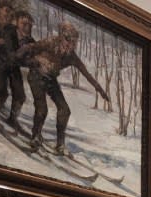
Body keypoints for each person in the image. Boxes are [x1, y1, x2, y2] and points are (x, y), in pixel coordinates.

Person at [15, 21, 110, 154]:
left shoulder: (71, 56)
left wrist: (100, 90)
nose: (71, 45)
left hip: (50, 79)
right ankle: (35, 136)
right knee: (42, 109)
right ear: (62, 37)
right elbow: (30, 47)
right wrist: (22, 59)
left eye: (74, 42)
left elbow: (86, 74)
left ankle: (60, 145)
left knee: (65, 110)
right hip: (36, 75)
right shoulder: (50, 42)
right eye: (68, 40)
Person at [0, 10, 35, 128]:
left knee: (20, 95)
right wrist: (24, 50)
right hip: (0, 62)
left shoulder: (30, 41)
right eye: (24, 24)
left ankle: (13, 118)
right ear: (17, 23)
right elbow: (11, 55)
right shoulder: (9, 32)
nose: (27, 27)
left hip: (13, 66)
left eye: (29, 25)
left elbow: (31, 60)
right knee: (0, 90)